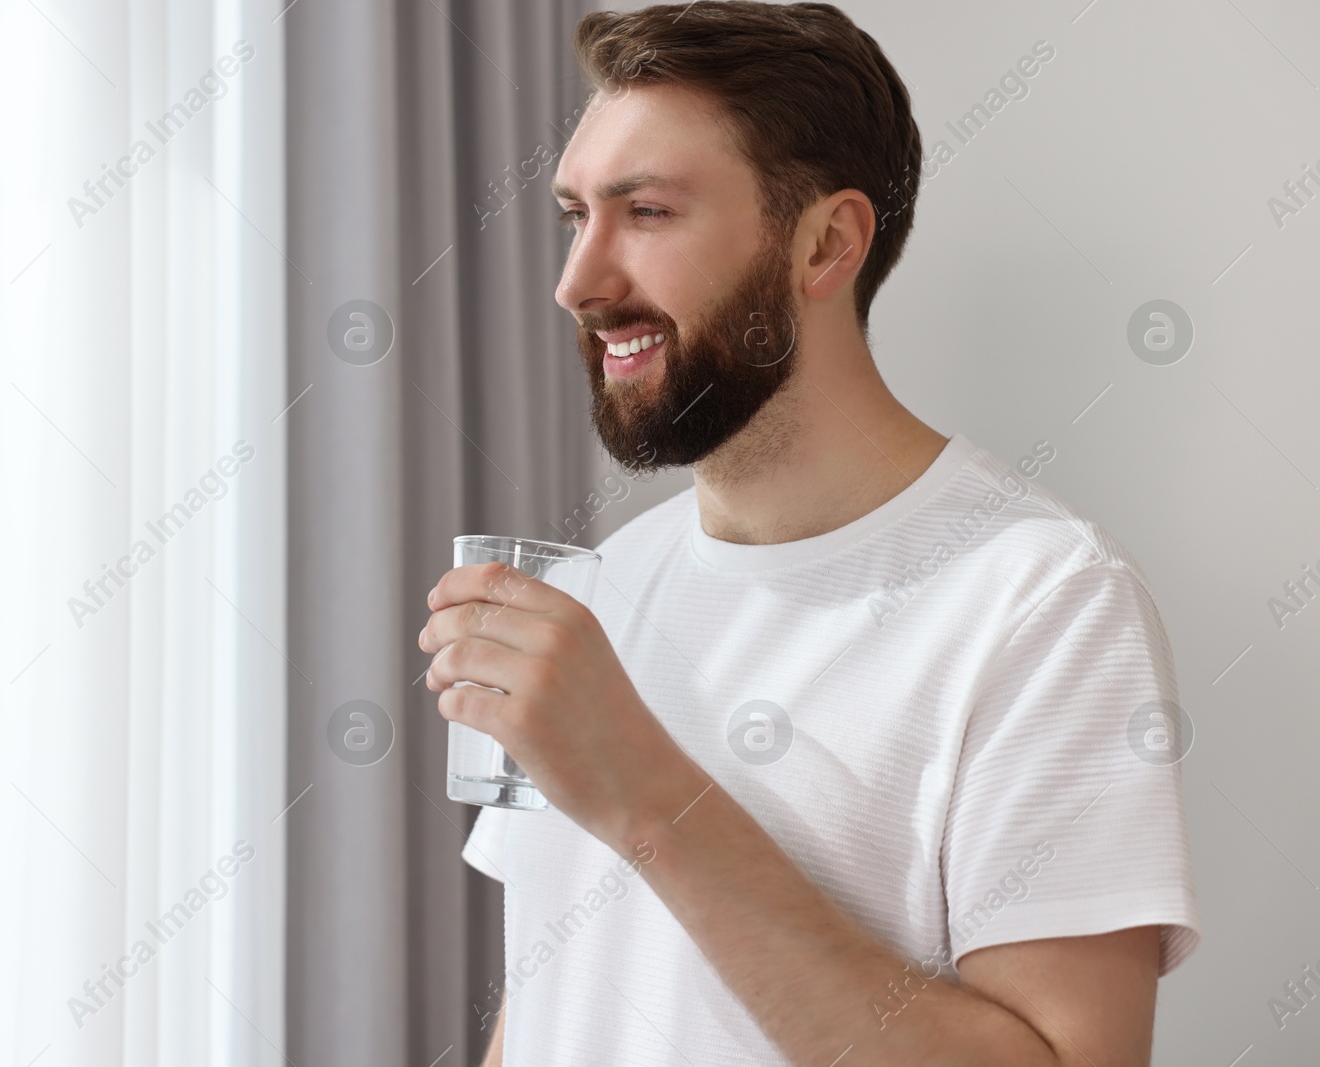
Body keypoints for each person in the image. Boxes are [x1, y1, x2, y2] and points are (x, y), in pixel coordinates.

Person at [417, 3, 1200, 1064]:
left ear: (825, 242)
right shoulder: (605, 586)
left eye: (645, 211)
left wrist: (645, 787)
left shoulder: (1041, 600)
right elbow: (558, 1000)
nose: (578, 282)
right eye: (573, 216)